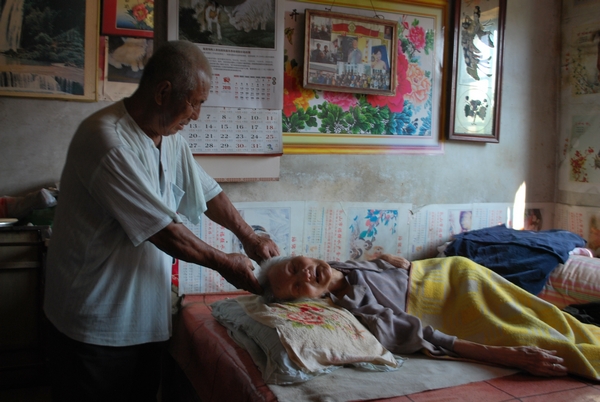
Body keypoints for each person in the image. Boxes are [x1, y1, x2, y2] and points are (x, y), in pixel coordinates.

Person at [43, 40, 280, 401]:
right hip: (94, 325)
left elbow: (208, 193)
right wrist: (224, 263)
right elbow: (163, 231)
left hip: (145, 318)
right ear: (163, 92)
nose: (197, 115)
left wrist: (249, 237)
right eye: (194, 103)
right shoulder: (106, 140)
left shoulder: (170, 139)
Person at [257, 254, 577, 378]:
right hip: (456, 299)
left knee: (549, 314)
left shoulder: (343, 264)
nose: (305, 274)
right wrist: (508, 355)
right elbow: (428, 336)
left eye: (295, 266)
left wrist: (390, 261)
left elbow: (378, 267)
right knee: (554, 336)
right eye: (298, 286)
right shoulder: (361, 311)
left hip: (454, 270)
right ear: (310, 300)